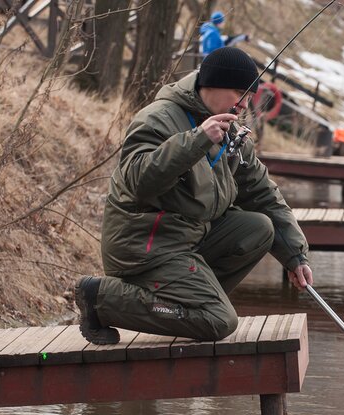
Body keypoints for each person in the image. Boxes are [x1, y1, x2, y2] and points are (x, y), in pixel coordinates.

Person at [75, 47, 312, 345]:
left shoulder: (229, 130)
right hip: (146, 245)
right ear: (210, 84)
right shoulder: (157, 119)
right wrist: (197, 140)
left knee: (259, 228)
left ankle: (187, 305)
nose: (244, 105)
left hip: (189, 239)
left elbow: (263, 193)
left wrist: (295, 255)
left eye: (249, 97)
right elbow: (138, 182)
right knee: (219, 322)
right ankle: (101, 298)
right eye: (239, 93)